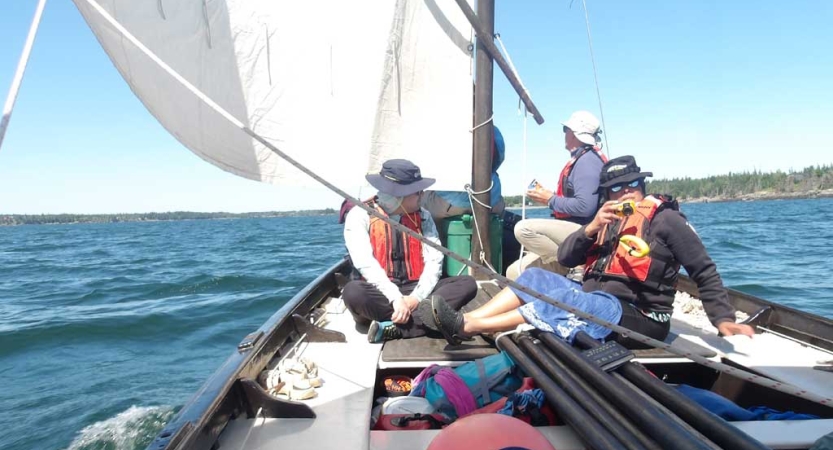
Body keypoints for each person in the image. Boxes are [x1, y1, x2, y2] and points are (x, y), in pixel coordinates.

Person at [421, 155, 754, 348]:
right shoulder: (606, 220)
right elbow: (566, 258)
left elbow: (704, 269)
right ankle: (465, 321)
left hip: (642, 318)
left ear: (643, 186)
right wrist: (591, 228)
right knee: (537, 276)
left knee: (568, 301)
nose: (626, 193)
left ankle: (466, 327)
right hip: (596, 302)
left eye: (632, 185)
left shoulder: (667, 221)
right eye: (616, 189)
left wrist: (723, 319)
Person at [342, 159, 478, 343]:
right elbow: (365, 262)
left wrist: (415, 298)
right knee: (353, 292)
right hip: (380, 291)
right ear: (400, 195)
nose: (422, 196)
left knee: (467, 284)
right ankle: (429, 321)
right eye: (418, 192)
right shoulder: (360, 215)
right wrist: (396, 298)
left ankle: (396, 328)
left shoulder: (424, 216)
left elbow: (434, 261)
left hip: (416, 288)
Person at [506, 111, 607, 280]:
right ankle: (563, 268)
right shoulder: (583, 159)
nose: (564, 134)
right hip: (575, 230)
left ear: (574, 134)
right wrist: (548, 197)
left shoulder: (587, 162)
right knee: (514, 273)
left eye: (565, 129)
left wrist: (550, 200)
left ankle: (571, 264)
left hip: (586, 233)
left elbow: (585, 207)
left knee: (523, 228)